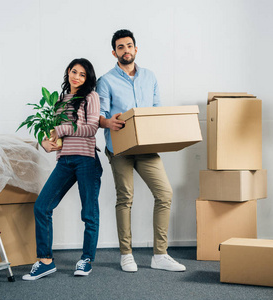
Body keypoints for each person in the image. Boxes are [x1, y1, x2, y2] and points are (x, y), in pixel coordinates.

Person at [96, 29, 186, 272]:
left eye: (129, 46)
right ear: (114, 52)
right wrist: (108, 122)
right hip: (120, 149)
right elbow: (99, 117)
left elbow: (156, 111)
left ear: (136, 49)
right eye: (121, 47)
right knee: (125, 198)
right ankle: (126, 254)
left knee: (164, 194)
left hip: (146, 147)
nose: (126, 50)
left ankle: (160, 255)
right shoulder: (105, 81)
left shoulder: (150, 77)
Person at [23, 58, 103, 280]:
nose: (76, 77)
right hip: (65, 160)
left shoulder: (91, 97)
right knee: (42, 206)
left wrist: (60, 129)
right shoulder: (59, 100)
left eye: (82, 74)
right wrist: (48, 144)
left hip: (87, 159)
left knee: (89, 212)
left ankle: (86, 259)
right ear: (68, 72)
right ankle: (46, 260)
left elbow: (91, 128)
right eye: (74, 72)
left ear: (88, 78)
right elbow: (55, 135)